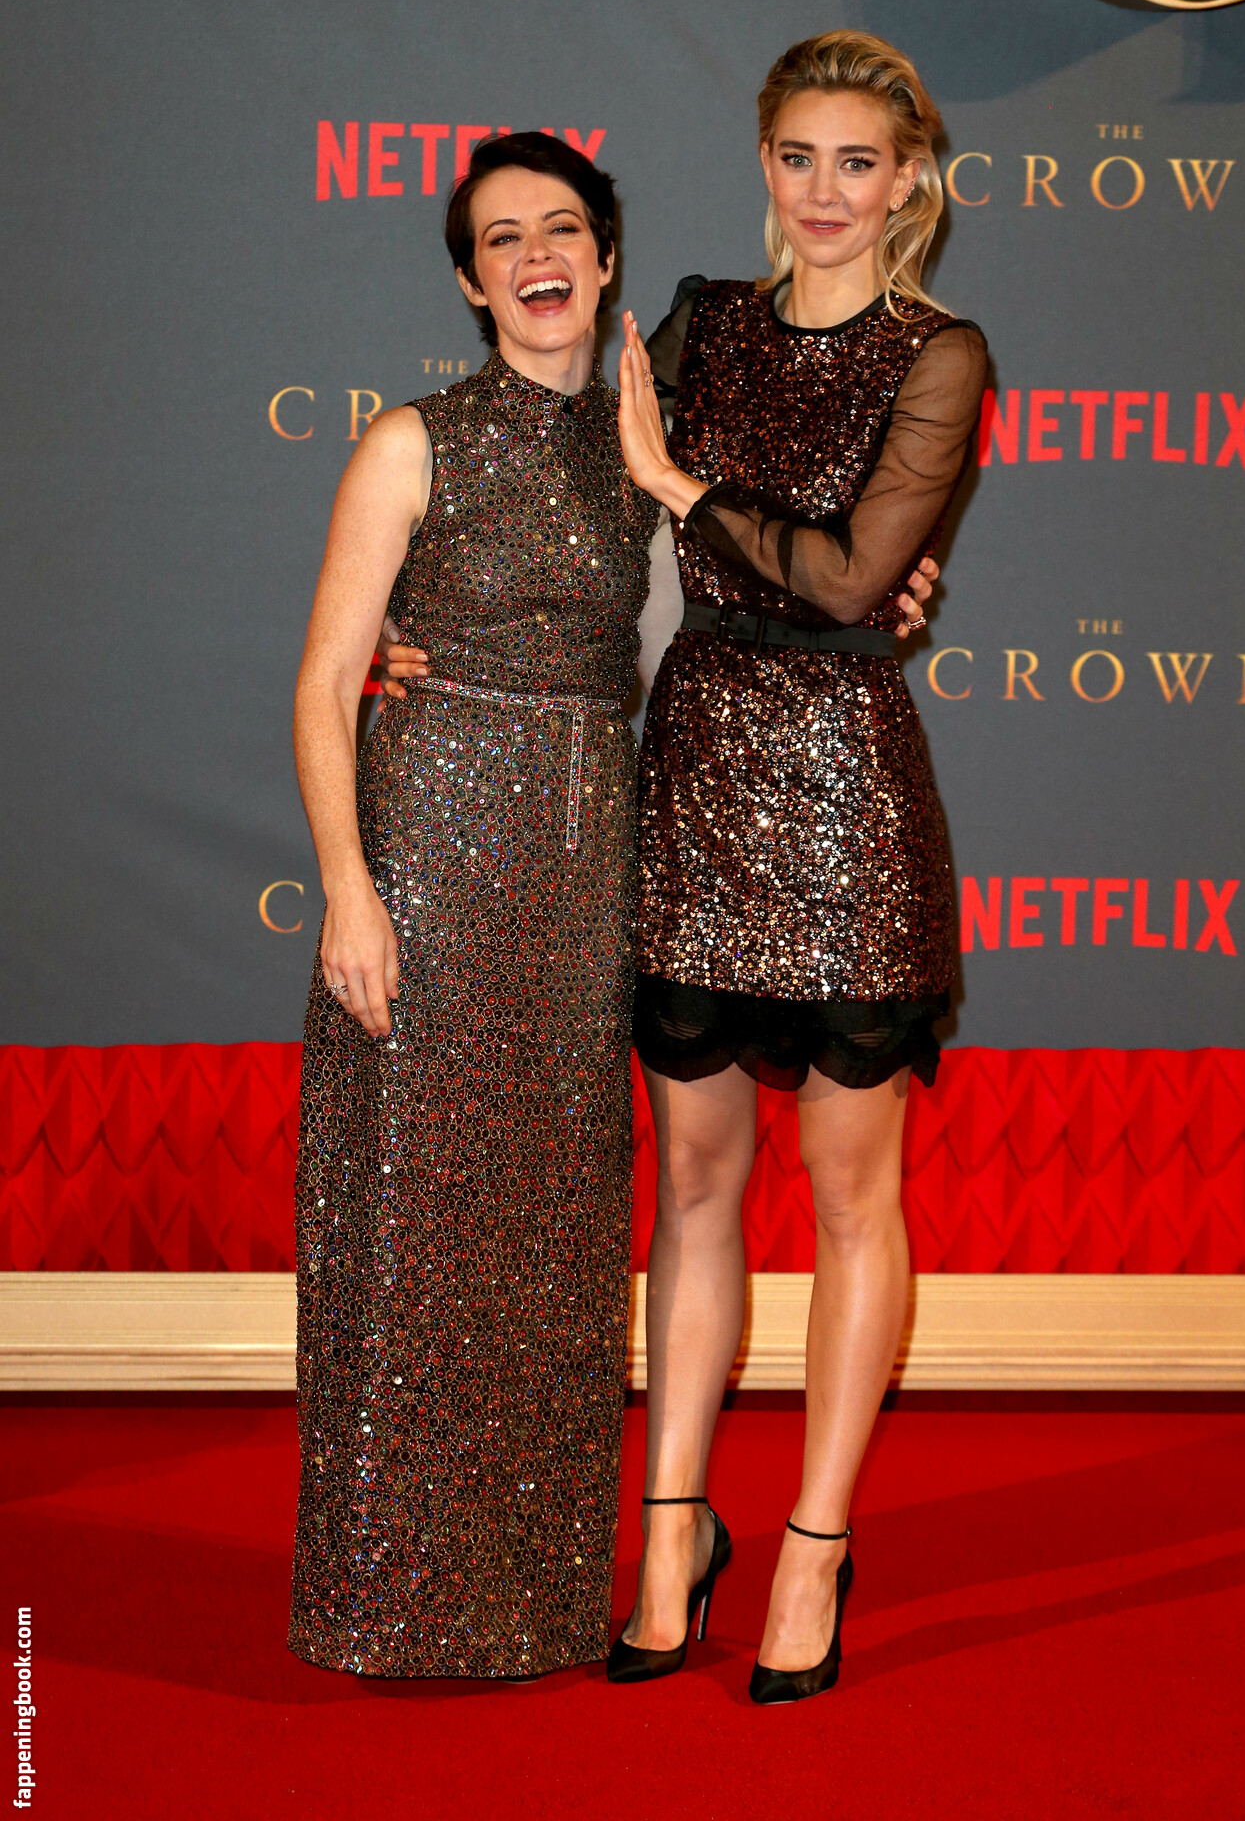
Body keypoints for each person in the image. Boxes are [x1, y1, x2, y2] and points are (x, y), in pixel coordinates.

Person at [610, 30, 988, 1703]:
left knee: (850, 1197)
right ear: (762, 162)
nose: (824, 191)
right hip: (696, 787)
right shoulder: (699, 324)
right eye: (796, 156)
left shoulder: (940, 353)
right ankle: (671, 1532)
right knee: (693, 1188)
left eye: (858, 162)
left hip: (846, 805)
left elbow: (846, 582)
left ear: (908, 181)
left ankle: (816, 1545)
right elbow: (592, 528)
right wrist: (422, 633)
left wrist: (683, 485)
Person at [287, 132, 662, 1678]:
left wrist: (883, 588)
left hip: (587, 873)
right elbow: (326, 682)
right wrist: (349, 892)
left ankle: (542, 1597)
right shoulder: (411, 443)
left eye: (560, 228)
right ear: (469, 281)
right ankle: (384, 1598)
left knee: (557, 1229)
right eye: (501, 239)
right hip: (430, 864)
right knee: (408, 1222)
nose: (535, 257)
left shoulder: (648, 447)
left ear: (606, 258)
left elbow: (749, 602)